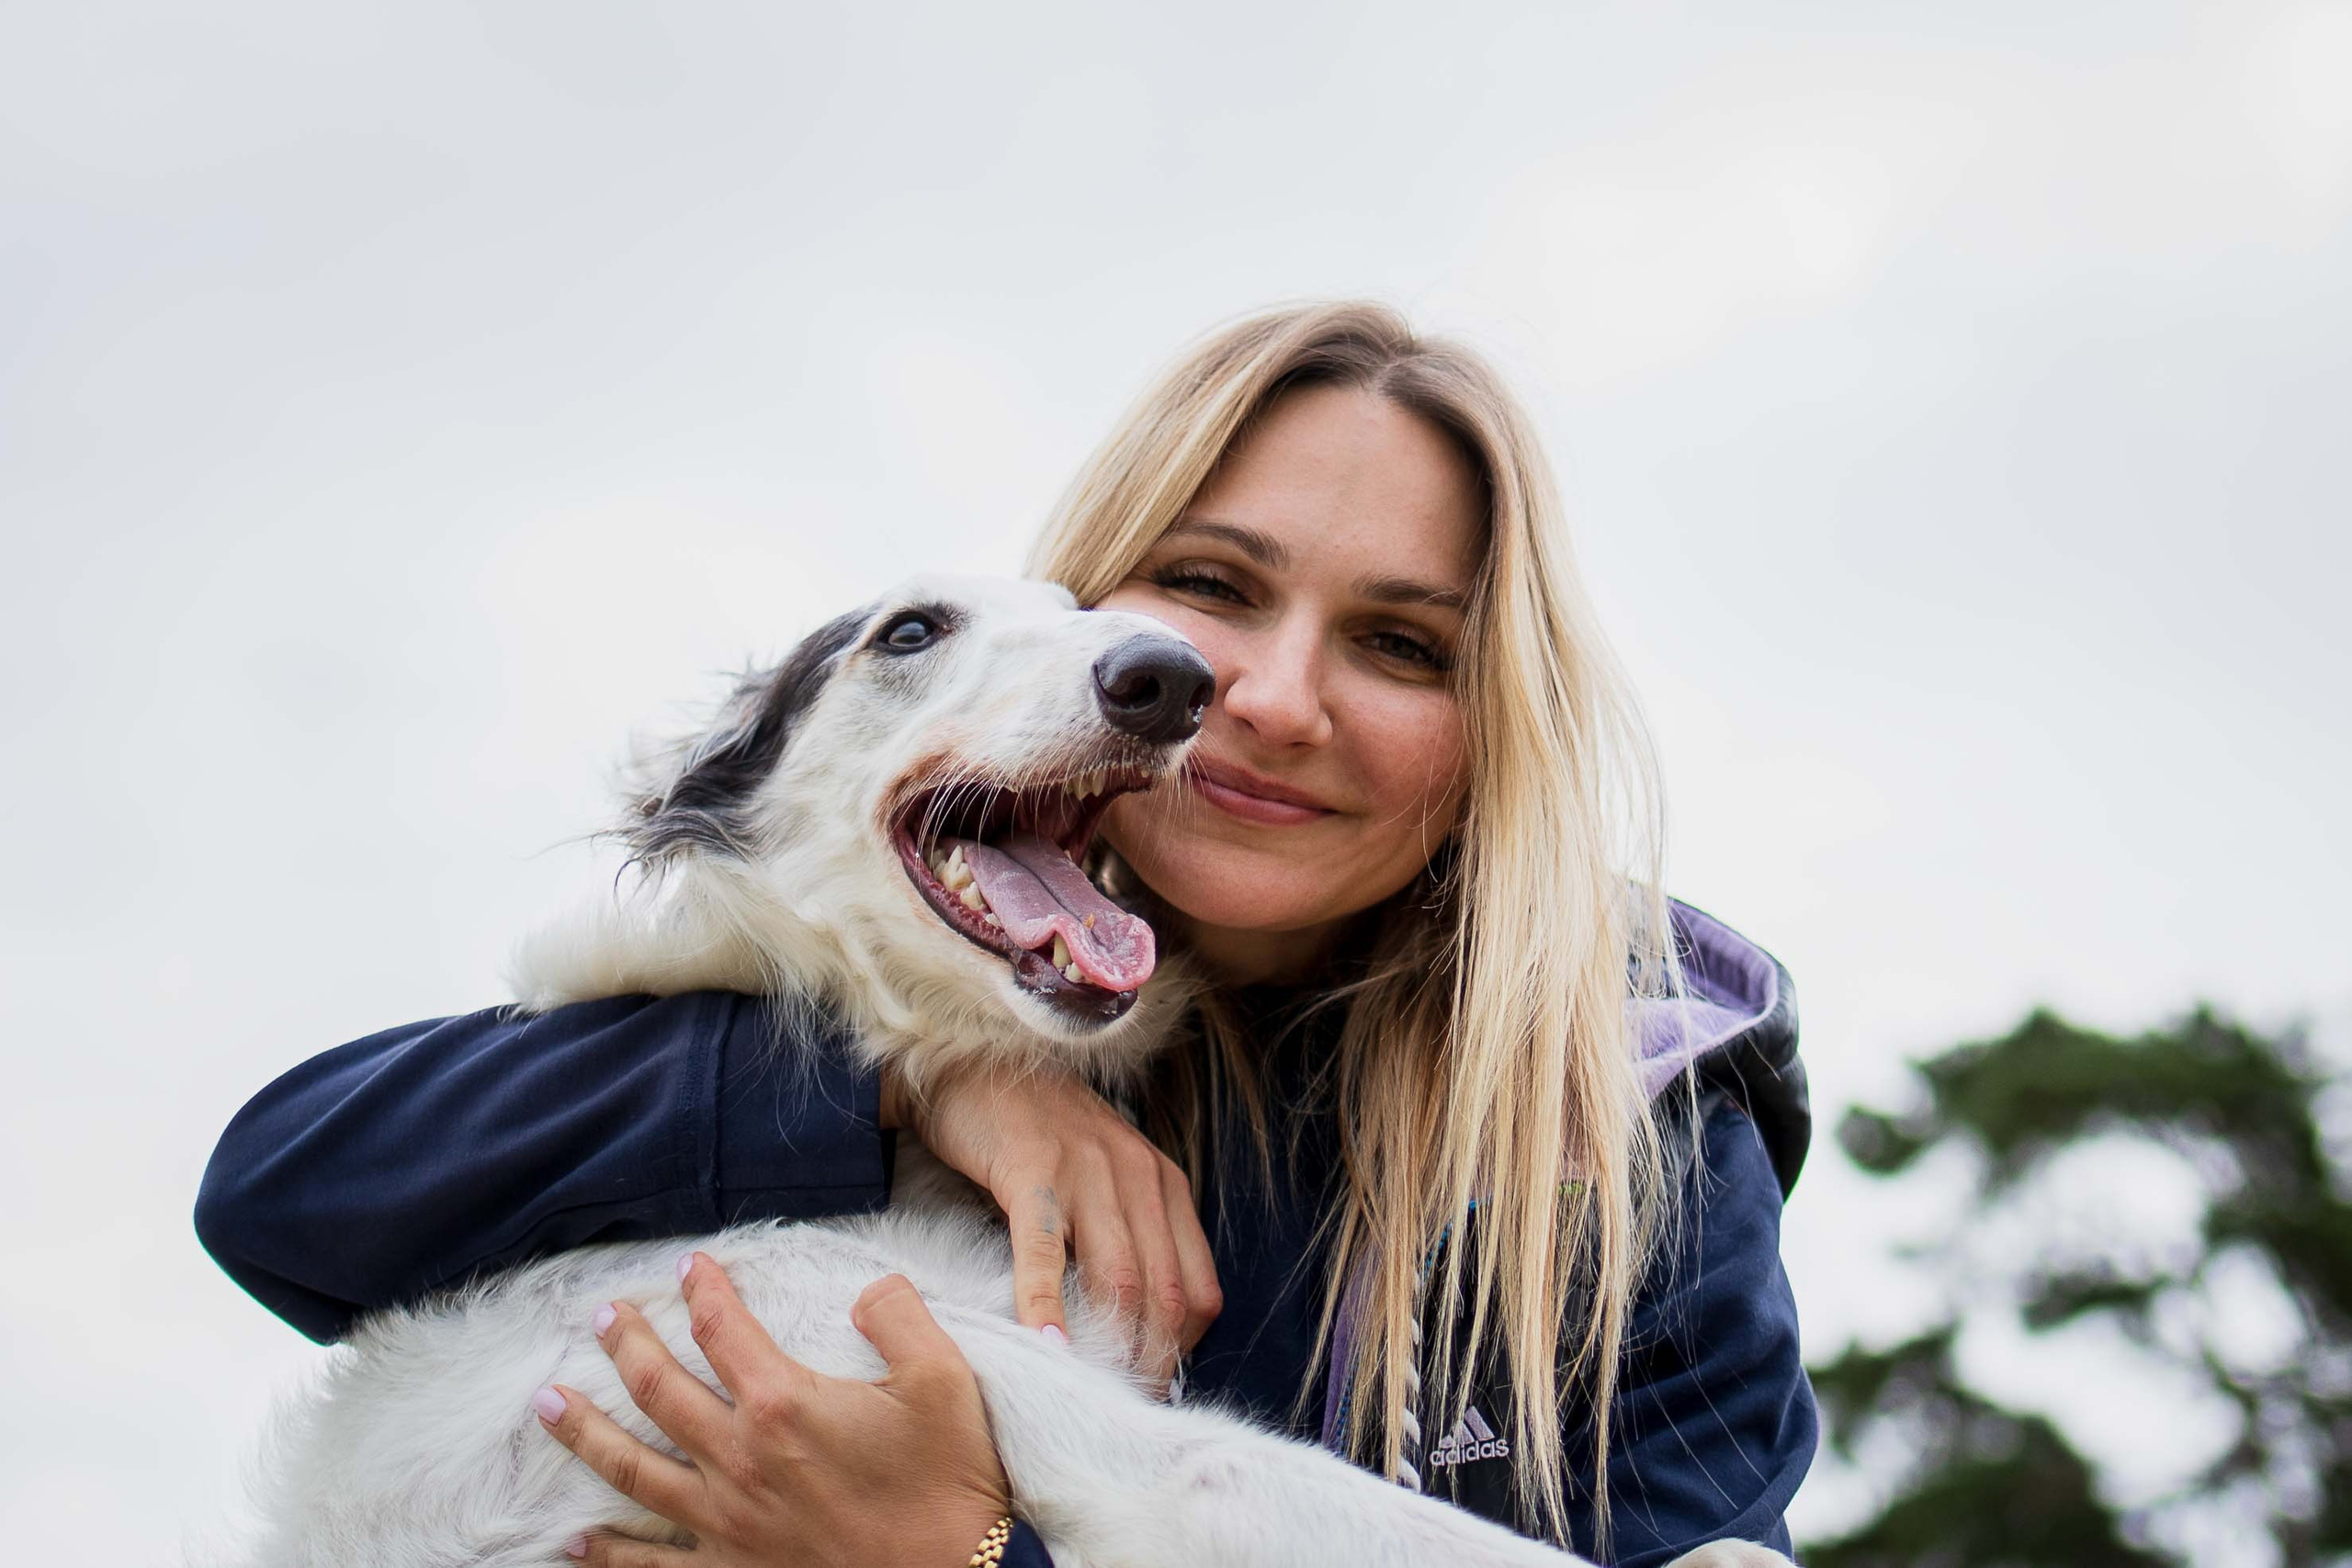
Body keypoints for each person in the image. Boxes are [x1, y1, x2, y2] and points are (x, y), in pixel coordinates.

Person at [196, 302, 1816, 1568]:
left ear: (1492, 729)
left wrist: (972, 1560)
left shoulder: (1645, 1120)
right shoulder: (901, 996)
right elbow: (279, 1192)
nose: (1264, 701)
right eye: (1210, 589)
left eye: (1399, 645)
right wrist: (897, 1087)